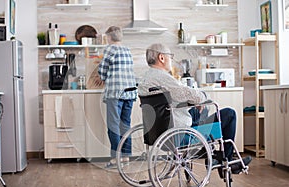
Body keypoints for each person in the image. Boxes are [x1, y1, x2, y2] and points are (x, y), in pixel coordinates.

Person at [138, 43, 251, 174]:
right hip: (179, 136)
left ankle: (211, 156)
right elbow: (188, 93)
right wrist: (202, 98)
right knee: (229, 114)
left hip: (159, 134)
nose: (171, 60)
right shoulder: (163, 77)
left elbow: (180, 95)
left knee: (199, 111)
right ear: (161, 58)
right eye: (170, 56)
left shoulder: (146, 78)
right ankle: (225, 161)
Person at [96, 26, 137, 168]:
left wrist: (102, 77)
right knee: (125, 124)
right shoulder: (127, 50)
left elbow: (102, 70)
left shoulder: (110, 49)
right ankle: (126, 156)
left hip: (116, 92)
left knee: (113, 125)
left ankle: (115, 158)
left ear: (110, 37)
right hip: (130, 91)